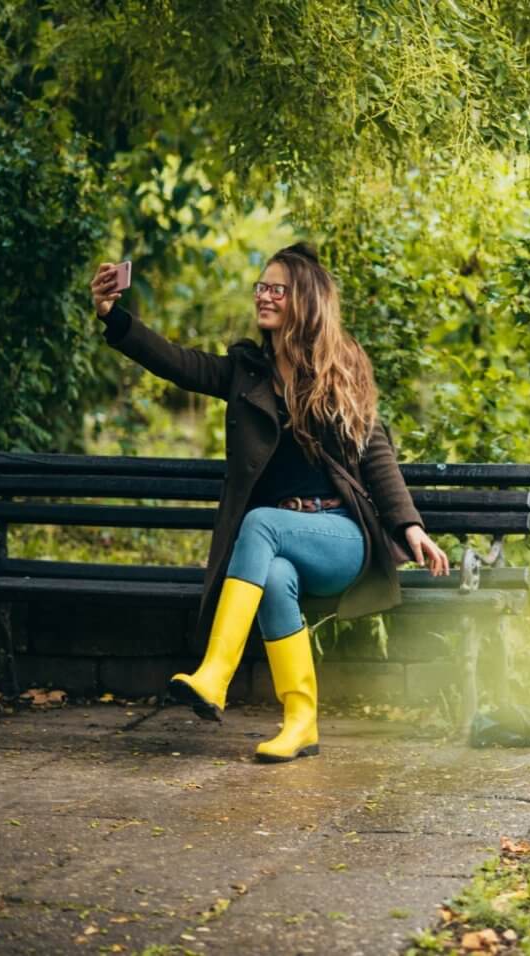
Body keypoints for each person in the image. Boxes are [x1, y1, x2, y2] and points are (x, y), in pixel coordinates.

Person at [89, 243, 450, 762]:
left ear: (305, 299)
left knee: (259, 524)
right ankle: (301, 722)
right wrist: (112, 316)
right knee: (275, 577)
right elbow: (178, 364)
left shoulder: (341, 367)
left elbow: (376, 451)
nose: (264, 296)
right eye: (261, 287)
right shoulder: (246, 371)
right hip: (285, 542)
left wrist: (409, 527)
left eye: (276, 288)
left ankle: (215, 673)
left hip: (341, 536)